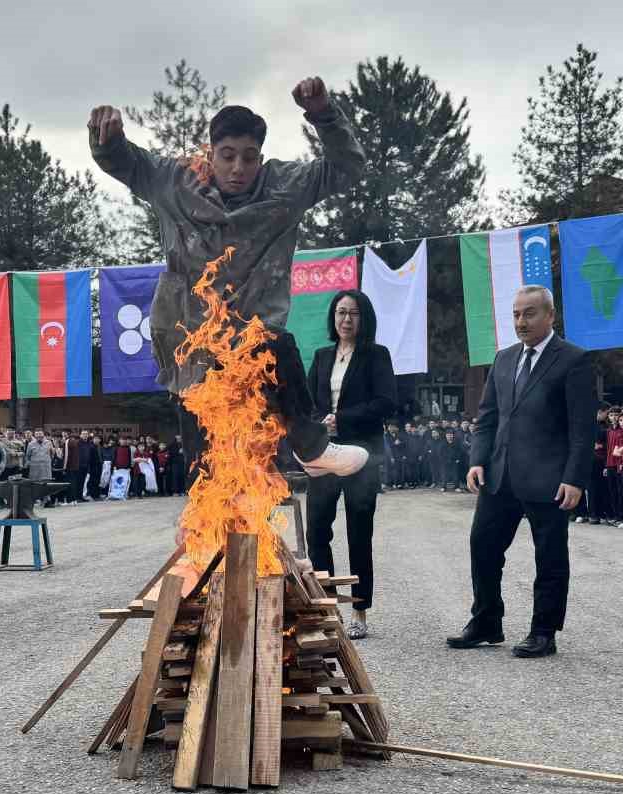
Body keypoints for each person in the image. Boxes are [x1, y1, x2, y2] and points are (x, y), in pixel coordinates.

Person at [89, 77, 369, 479]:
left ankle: (311, 446)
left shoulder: (283, 187)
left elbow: (347, 167)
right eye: (228, 156)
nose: (239, 169)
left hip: (253, 331)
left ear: (261, 158)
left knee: (278, 346)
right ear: (211, 154)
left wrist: (324, 114)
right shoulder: (176, 181)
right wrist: (107, 137)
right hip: (191, 335)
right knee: (207, 466)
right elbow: (126, 162)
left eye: (249, 158)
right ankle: (205, 494)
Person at [448, 286, 597, 657]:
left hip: (549, 479)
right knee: (483, 546)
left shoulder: (573, 360)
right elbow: (488, 416)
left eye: (529, 313)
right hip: (499, 475)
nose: (521, 322)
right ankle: (486, 621)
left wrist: (575, 478)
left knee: (549, 555)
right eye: (516, 314)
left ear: (550, 315)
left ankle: (544, 631)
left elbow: (582, 428)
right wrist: (477, 460)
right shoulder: (504, 359)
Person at [305, 289, 396, 640]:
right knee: (317, 532)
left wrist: (341, 419)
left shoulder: (376, 355)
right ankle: (327, 607)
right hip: (325, 454)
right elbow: (309, 402)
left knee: (359, 533)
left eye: (353, 313)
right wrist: (320, 422)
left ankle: (359, 610)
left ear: (364, 318)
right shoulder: (322, 356)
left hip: (362, 455)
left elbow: (386, 402)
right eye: (341, 312)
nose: (346, 319)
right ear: (333, 317)